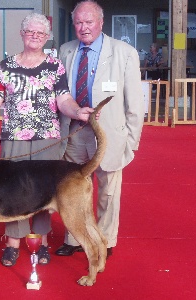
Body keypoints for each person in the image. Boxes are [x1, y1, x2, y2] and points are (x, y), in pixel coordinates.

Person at [0, 12, 95, 267]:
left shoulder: (55, 66)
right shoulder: (5, 66)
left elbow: (63, 100)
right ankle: (12, 242)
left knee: (45, 190)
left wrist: (77, 112)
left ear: (47, 37)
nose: (35, 36)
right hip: (13, 136)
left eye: (40, 33)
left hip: (48, 138)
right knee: (11, 190)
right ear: (22, 34)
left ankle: (41, 241)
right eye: (30, 32)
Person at [55, 0, 145, 258]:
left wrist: (132, 141)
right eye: (79, 23)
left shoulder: (124, 52)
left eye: (89, 22)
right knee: (71, 189)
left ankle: (104, 241)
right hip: (72, 132)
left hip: (109, 134)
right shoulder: (65, 50)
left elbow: (135, 103)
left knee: (108, 192)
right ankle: (73, 238)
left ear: (101, 22)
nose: (84, 28)